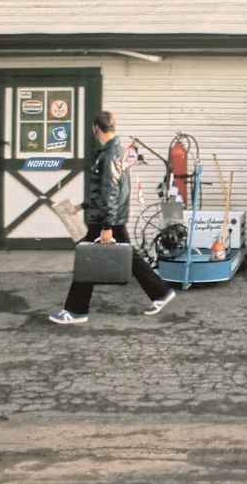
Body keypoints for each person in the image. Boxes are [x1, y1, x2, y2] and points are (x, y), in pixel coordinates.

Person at [50, 111, 176, 325]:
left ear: (96, 128)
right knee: (131, 259)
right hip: (110, 217)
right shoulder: (114, 151)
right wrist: (83, 206)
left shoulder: (109, 154)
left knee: (86, 262)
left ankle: (76, 310)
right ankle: (161, 292)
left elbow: (110, 192)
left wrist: (106, 226)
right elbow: (107, 190)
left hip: (106, 220)